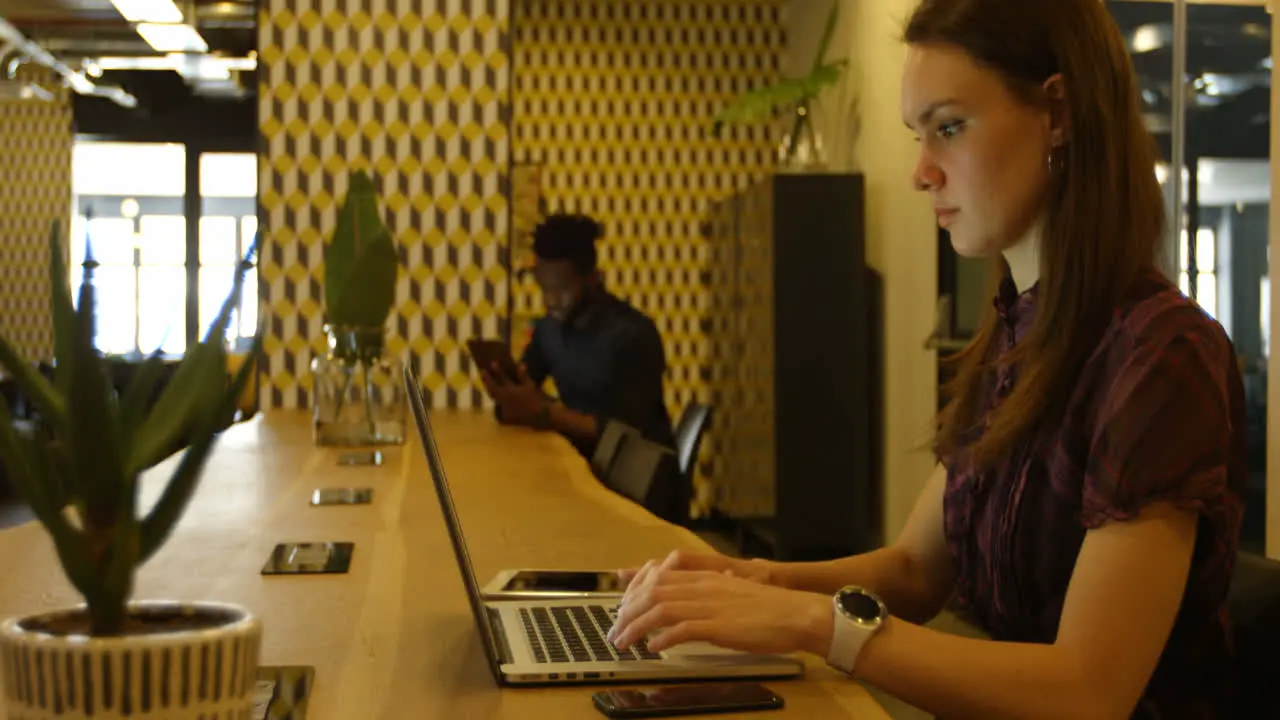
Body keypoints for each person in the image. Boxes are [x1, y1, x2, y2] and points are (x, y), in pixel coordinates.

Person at [605, 1, 1247, 718]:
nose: (920, 173)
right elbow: (913, 570)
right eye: (919, 135)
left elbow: (1086, 691)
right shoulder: (1017, 334)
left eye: (948, 128)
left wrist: (817, 625)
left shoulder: (1162, 355)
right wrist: (751, 580)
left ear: (1058, 114)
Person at [480, 212, 676, 460]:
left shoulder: (633, 334)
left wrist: (543, 412)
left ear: (594, 278)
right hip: (587, 462)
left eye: (562, 289)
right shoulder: (548, 330)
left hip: (640, 479)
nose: (551, 301)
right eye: (544, 287)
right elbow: (526, 390)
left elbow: (625, 435)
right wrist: (508, 396)